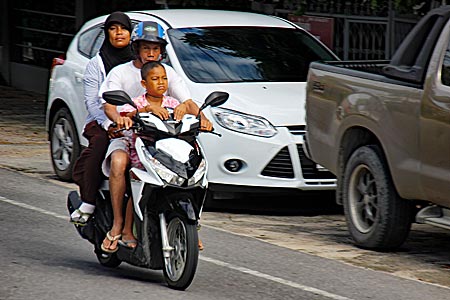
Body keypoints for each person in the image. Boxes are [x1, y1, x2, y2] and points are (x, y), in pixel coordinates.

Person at [99, 21, 212, 253]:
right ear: (136, 49)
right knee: (120, 163)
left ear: (162, 51)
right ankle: (119, 223)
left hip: (161, 139)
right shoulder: (120, 72)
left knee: (192, 163)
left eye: (156, 48)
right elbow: (109, 105)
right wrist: (120, 119)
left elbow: (186, 102)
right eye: (145, 48)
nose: (151, 53)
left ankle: (191, 225)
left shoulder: (167, 73)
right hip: (130, 137)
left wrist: (202, 117)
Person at [70, 11, 133, 226]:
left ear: (131, 33)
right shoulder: (96, 64)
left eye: (123, 28)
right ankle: (88, 201)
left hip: (135, 120)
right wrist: (109, 124)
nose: (118, 33)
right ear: (107, 33)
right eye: (113, 29)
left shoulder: (139, 60)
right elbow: (92, 102)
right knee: (99, 145)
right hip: (100, 121)